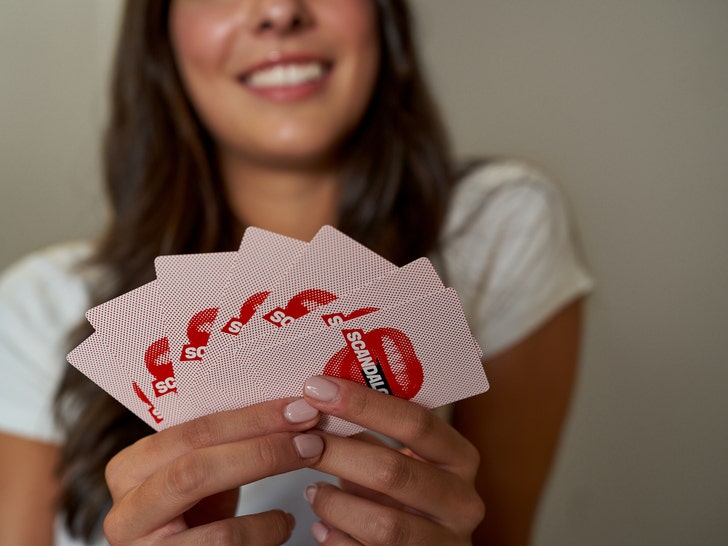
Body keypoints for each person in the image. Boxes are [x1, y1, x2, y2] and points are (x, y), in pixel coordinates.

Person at [0, 1, 593, 544]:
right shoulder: (39, 304)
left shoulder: (495, 224)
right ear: (160, 33)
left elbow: (503, 536)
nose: (280, 11)